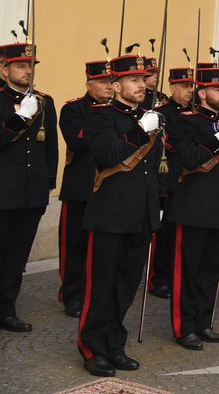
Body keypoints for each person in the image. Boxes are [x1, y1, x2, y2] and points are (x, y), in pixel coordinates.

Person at [77, 53, 163, 376]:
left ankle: (115, 344)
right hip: (110, 216)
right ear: (115, 85)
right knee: (101, 285)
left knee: (126, 286)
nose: (141, 85)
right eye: (133, 80)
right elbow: (108, 155)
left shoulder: (148, 116)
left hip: (141, 216)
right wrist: (141, 131)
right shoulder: (101, 116)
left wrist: (158, 204)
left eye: (143, 79)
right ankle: (91, 347)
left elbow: (154, 168)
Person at [167, 65, 219, 350]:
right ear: (203, 92)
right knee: (189, 271)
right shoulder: (187, 122)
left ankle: (203, 321)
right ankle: (184, 327)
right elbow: (191, 159)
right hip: (194, 208)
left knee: (211, 269)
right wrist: (217, 140)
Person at [0, 40, 57, 334]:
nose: (27, 72)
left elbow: (50, 149)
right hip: (2, 192)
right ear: (3, 68)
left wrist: (48, 184)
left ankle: (7, 309)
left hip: (31, 192)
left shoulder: (44, 101)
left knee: (17, 257)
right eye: (20, 66)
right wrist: (20, 117)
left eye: (30, 67)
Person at [57, 59, 112, 318]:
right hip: (80, 189)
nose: (109, 87)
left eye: (112, 82)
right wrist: (102, 121)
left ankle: (94, 292)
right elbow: (77, 142)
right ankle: (72, 295)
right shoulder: (74, 109)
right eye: (103, 82)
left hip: (108, 190)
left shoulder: (117, 111)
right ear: (89, 84)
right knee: (74, 247)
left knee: (101, 249)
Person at [148, 64, 196, 299]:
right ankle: (158, 279)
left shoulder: (195, 113)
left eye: (191, 86)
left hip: (188, 181)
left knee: (182, 233)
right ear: (172, 87)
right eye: (184, 86)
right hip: (167, 179)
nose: (189, 91)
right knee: (164, 234)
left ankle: (175, 274)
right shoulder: (162, 113)